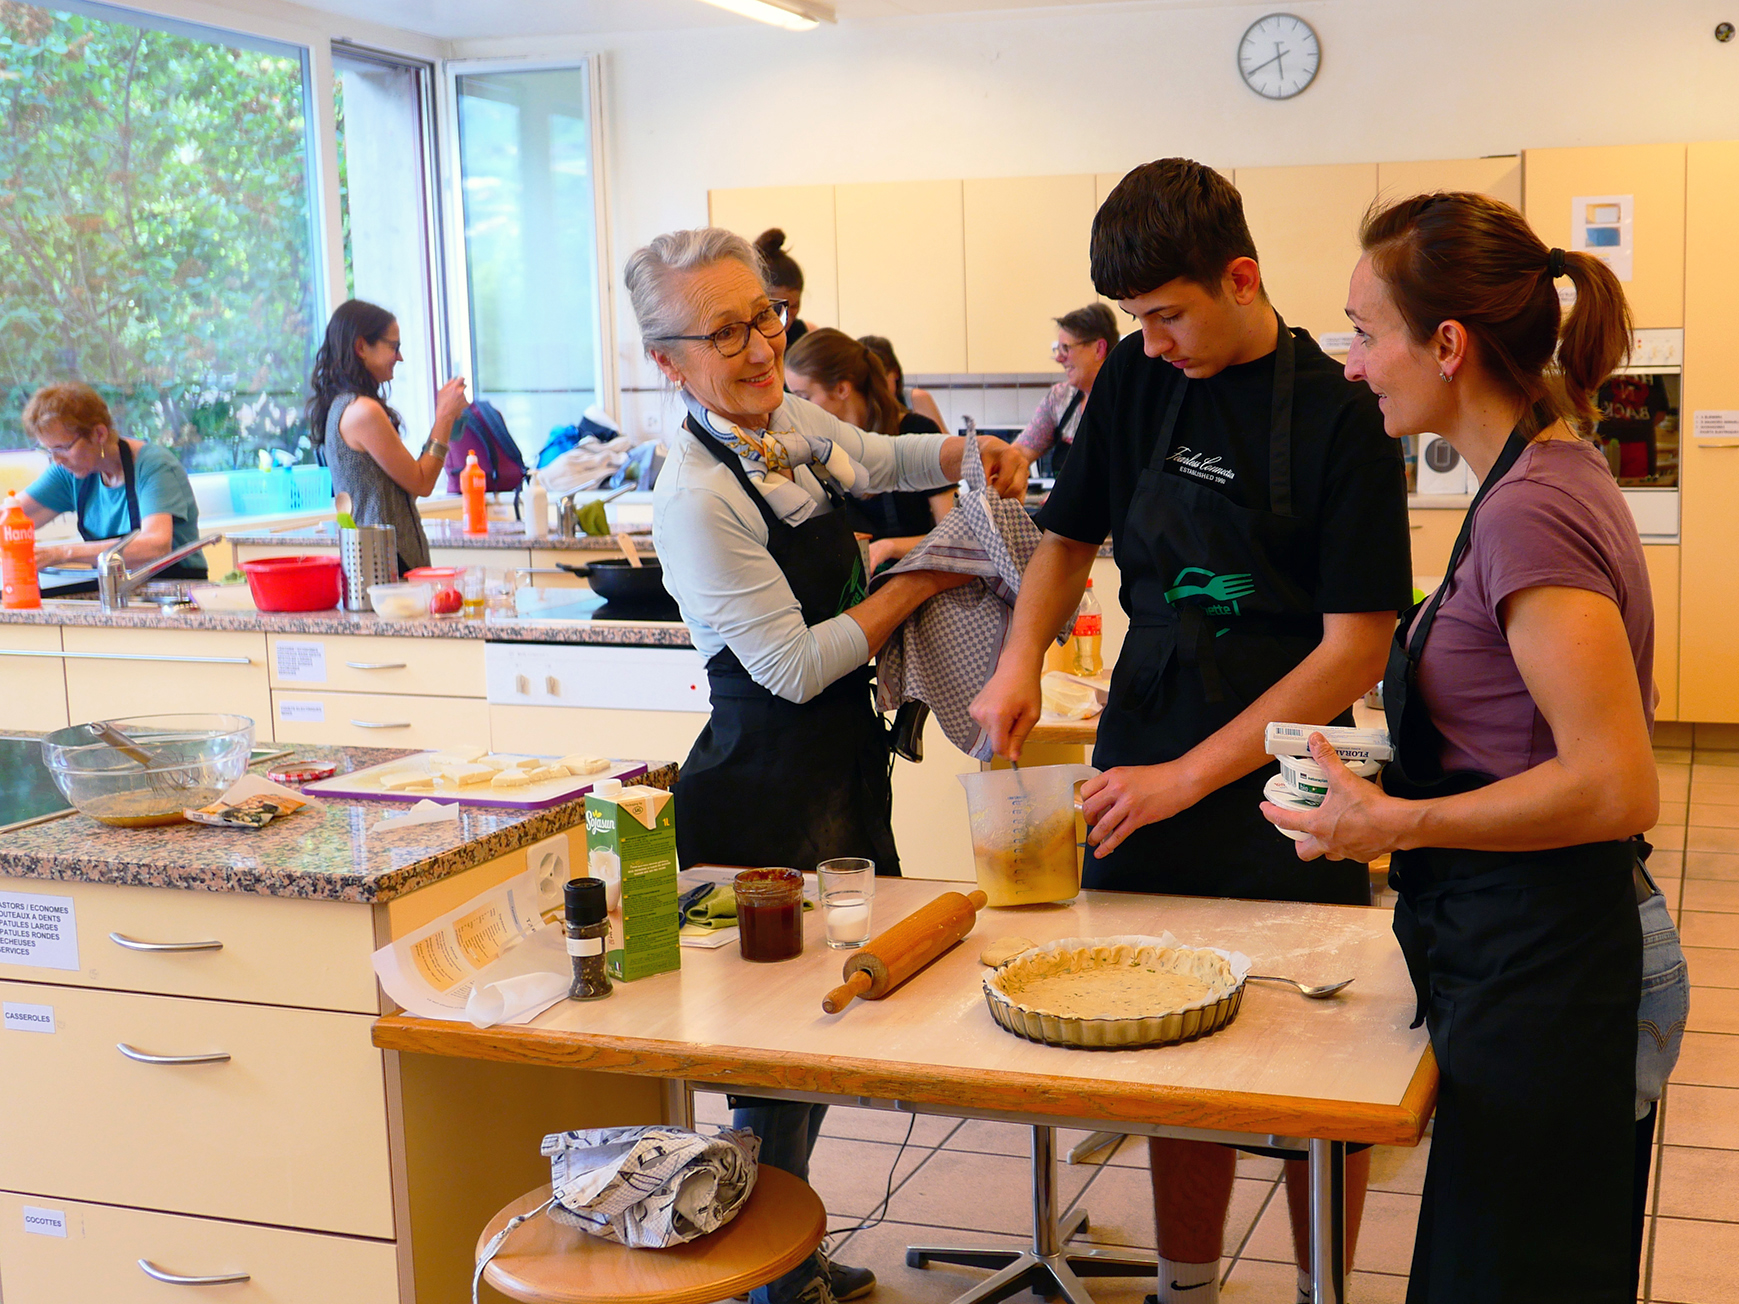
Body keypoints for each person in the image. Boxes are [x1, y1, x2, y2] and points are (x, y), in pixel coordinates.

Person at [970, 158, 1413, 1304]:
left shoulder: (1342, 412)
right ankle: (1184, 1287)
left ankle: (1325, 1290)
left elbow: (1354, 646)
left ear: (1241, 276)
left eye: (1166, 313)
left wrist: (1183, 780)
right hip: (1147, 719)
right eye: (1133, 320)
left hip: (1291, 748)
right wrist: (1016, 663)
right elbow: (1065, 538)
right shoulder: (1131, 377)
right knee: (1160, 1029)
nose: (1150, 340)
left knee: (1315, 1055)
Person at [1263, 193, 1666, 1304]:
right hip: (1521, 951)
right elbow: (1515, 729)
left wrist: (1388, 824)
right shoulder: (1530, 478)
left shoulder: (1527, 508)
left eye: (1362, 330)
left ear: (1444, 344)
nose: (1349, 364)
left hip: (1550, 964)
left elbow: (1611, 779)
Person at [629, 226, 1025, 1304]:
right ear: (668, 361)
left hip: (832, 777)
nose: (760, 346)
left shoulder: (775, 427)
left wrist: (959, 456)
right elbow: (796, 666)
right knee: (774, 1063)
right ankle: (769, 1271)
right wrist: (924, 576)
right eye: (725, 332)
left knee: (809, 1045)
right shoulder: (697, 496)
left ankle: (784, 1245)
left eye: (763, 315)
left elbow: (875, 455)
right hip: (760, 797)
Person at [307, 299, 467, 574]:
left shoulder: (342, 406)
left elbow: (401, 490)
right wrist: (445, 417)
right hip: (387, 562)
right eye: (394, 346)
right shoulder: (363, 412)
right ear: (361, 347)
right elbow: (422, 483)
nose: (400, 357)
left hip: (377, 560)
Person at [786, 327, 951, 570]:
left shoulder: (916, 430)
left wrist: (889, 546)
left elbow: (951, 535)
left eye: (804, 397)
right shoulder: (820, 449)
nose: (798, 409)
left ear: (842, 389)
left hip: (922, 578)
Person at [15, 382, 207, 581]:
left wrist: (61, 553)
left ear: (99, 433)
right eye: (49, 451)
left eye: (63, 447)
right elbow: (11, 520)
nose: (57, 460)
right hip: (114, 590)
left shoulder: (153, 465)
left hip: (175, 591)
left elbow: (156, 546)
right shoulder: (69, 472)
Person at [1011, 302, 1120, 482]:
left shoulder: (1128, 399)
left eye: (1066, 348)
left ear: (1099, 349)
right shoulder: (1059, 398)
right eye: (1058, 349)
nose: (1059, 358)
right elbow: (1021, 451)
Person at [859, 334, 947, 432]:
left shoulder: (915, 399)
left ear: (896, 372)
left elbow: (944, 444)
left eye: (882, 377)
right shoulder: (858, 406)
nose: (876, 385)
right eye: (868, 380)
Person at [755, 228, 811, 350]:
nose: (788, 317)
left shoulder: (802, 334)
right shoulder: (749, 338)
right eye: (778, 308)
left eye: (795, 306)